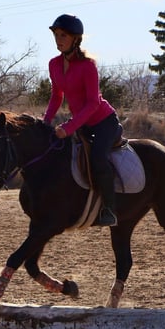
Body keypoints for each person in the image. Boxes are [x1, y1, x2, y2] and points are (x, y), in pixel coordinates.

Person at [43, 14, 123, 227]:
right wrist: (46, 122)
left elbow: (93, 104)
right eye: (57, 35)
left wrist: (68, 128)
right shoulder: (54, 64)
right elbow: (56, 96)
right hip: (83, 122)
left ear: (75, 39)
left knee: (98, 157)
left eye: (64, 36)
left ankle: (109, 209)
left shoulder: (88, 66)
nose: (59, 39)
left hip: (104, 122)